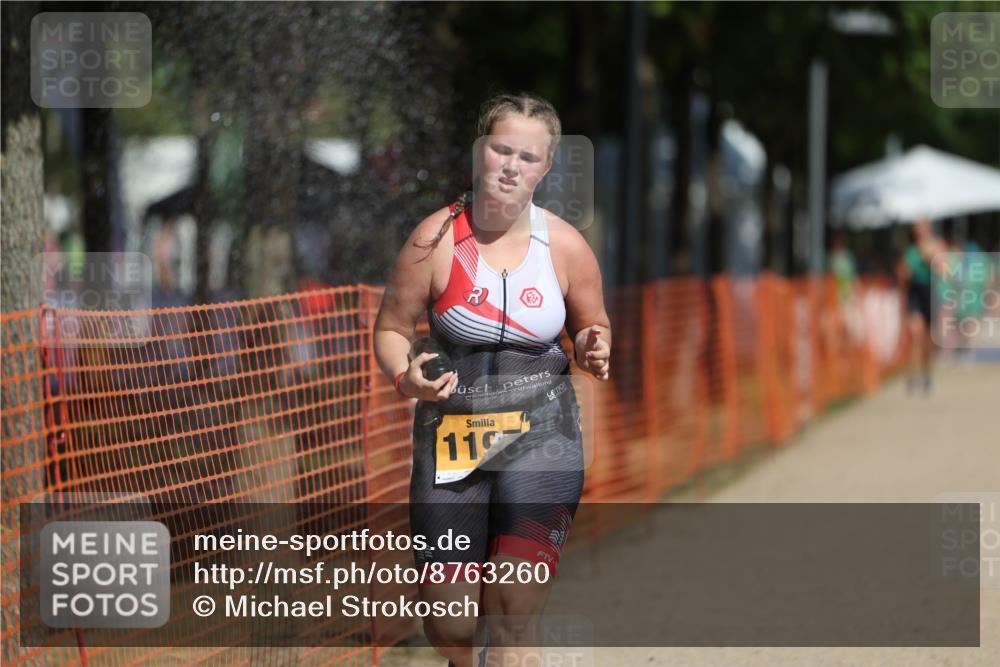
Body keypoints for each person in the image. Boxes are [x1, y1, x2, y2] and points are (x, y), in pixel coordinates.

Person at [373, 93, 611, 667]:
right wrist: (406, 377)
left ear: (546, 167)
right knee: (451, 621)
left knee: (511, 611)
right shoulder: (433, 241)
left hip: (543, 435)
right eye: (501, 149)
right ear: (479, 150)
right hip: (454, 437)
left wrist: (591, 346)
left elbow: (593, 325)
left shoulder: (566, 247)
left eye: (527, 157)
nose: (511, 166)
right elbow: (391, 329)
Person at [896, 219, 945, 393]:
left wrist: (931, 259)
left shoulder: (937, 245)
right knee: (915, 333)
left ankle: (927, 375)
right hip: (915, 292)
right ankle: (912, 376)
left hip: (930, 291)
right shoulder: (910, 250)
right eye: (917, 227)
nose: (919, 230)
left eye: (922, 227)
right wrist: (906, 272)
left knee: (927, 339)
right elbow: (902, 275)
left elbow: (944, 270)